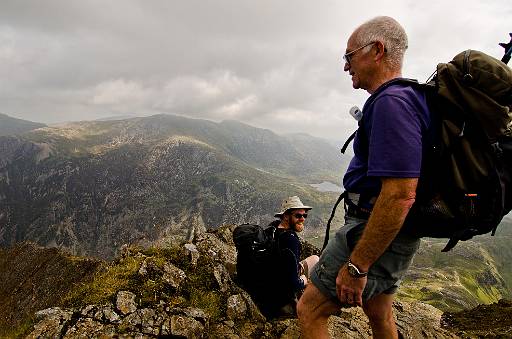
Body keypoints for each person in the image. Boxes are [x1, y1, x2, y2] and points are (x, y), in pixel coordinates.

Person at [297, 16, 431, 339]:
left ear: (377, 51)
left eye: (349, 56)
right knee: (379, 310)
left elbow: (400, 195)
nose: (346, 66)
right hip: (390, 230)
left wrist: (357, 266)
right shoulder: (404, 98)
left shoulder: (391, 103)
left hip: (372, 227)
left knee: (310, 310)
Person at [251, 196, 319, 318]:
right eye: (298, 216)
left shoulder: (271, 229)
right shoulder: (290, 239)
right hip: (279, 298)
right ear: (286, 216)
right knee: (312, 274)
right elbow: (292, 284)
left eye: (305, 216)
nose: (302, 219)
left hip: (264, 286)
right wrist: (303, 280)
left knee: (314, 259)